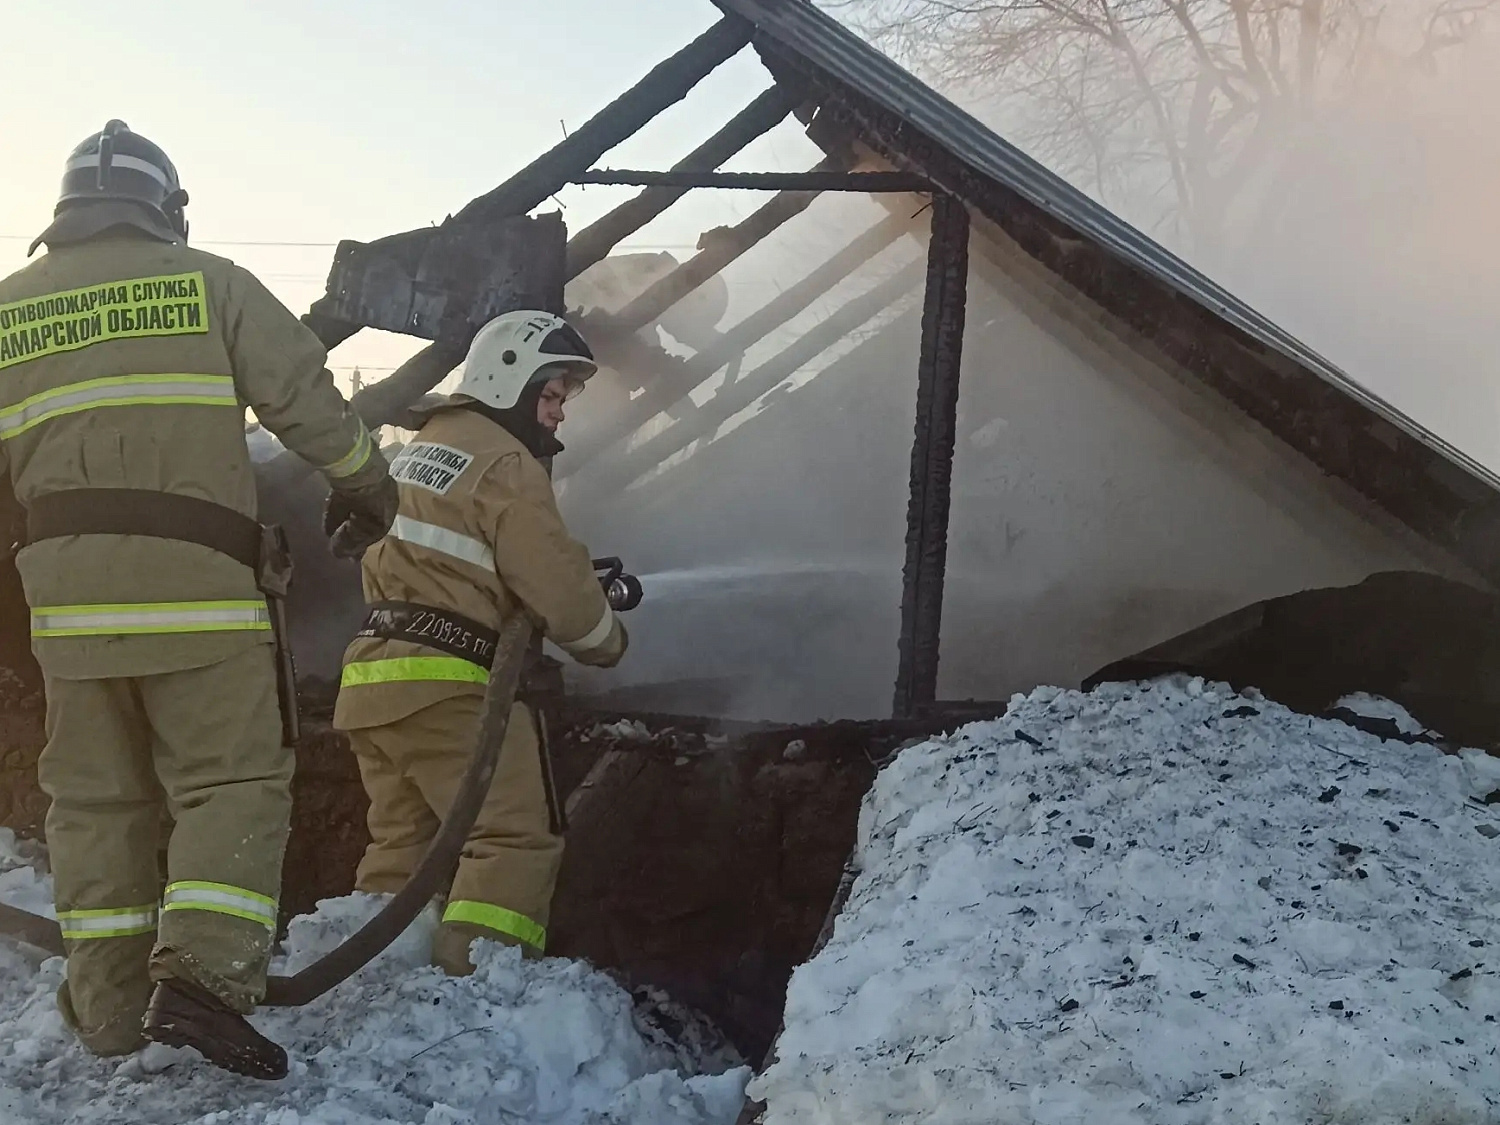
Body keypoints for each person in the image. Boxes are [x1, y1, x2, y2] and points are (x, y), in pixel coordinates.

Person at [0, 121, 399, 1078]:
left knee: (96, 804)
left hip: (64, 612)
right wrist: (369, 485)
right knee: (229, 782)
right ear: (165, 207)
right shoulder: (207, 281)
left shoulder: (9, 309)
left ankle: (106, 1010)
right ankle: (206, 982)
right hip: (199, 596)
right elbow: (305, 397)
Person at [333, 310, 626, 975]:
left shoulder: (427, 446)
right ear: (508, 381)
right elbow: (561, 590)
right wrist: (608, 636)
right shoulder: (506, 465)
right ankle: (478, 995)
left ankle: (367, 987)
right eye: (549, 395)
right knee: (513, 839)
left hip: (375, 678)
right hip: (453, 687)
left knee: (402, 847)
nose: (557, 415)